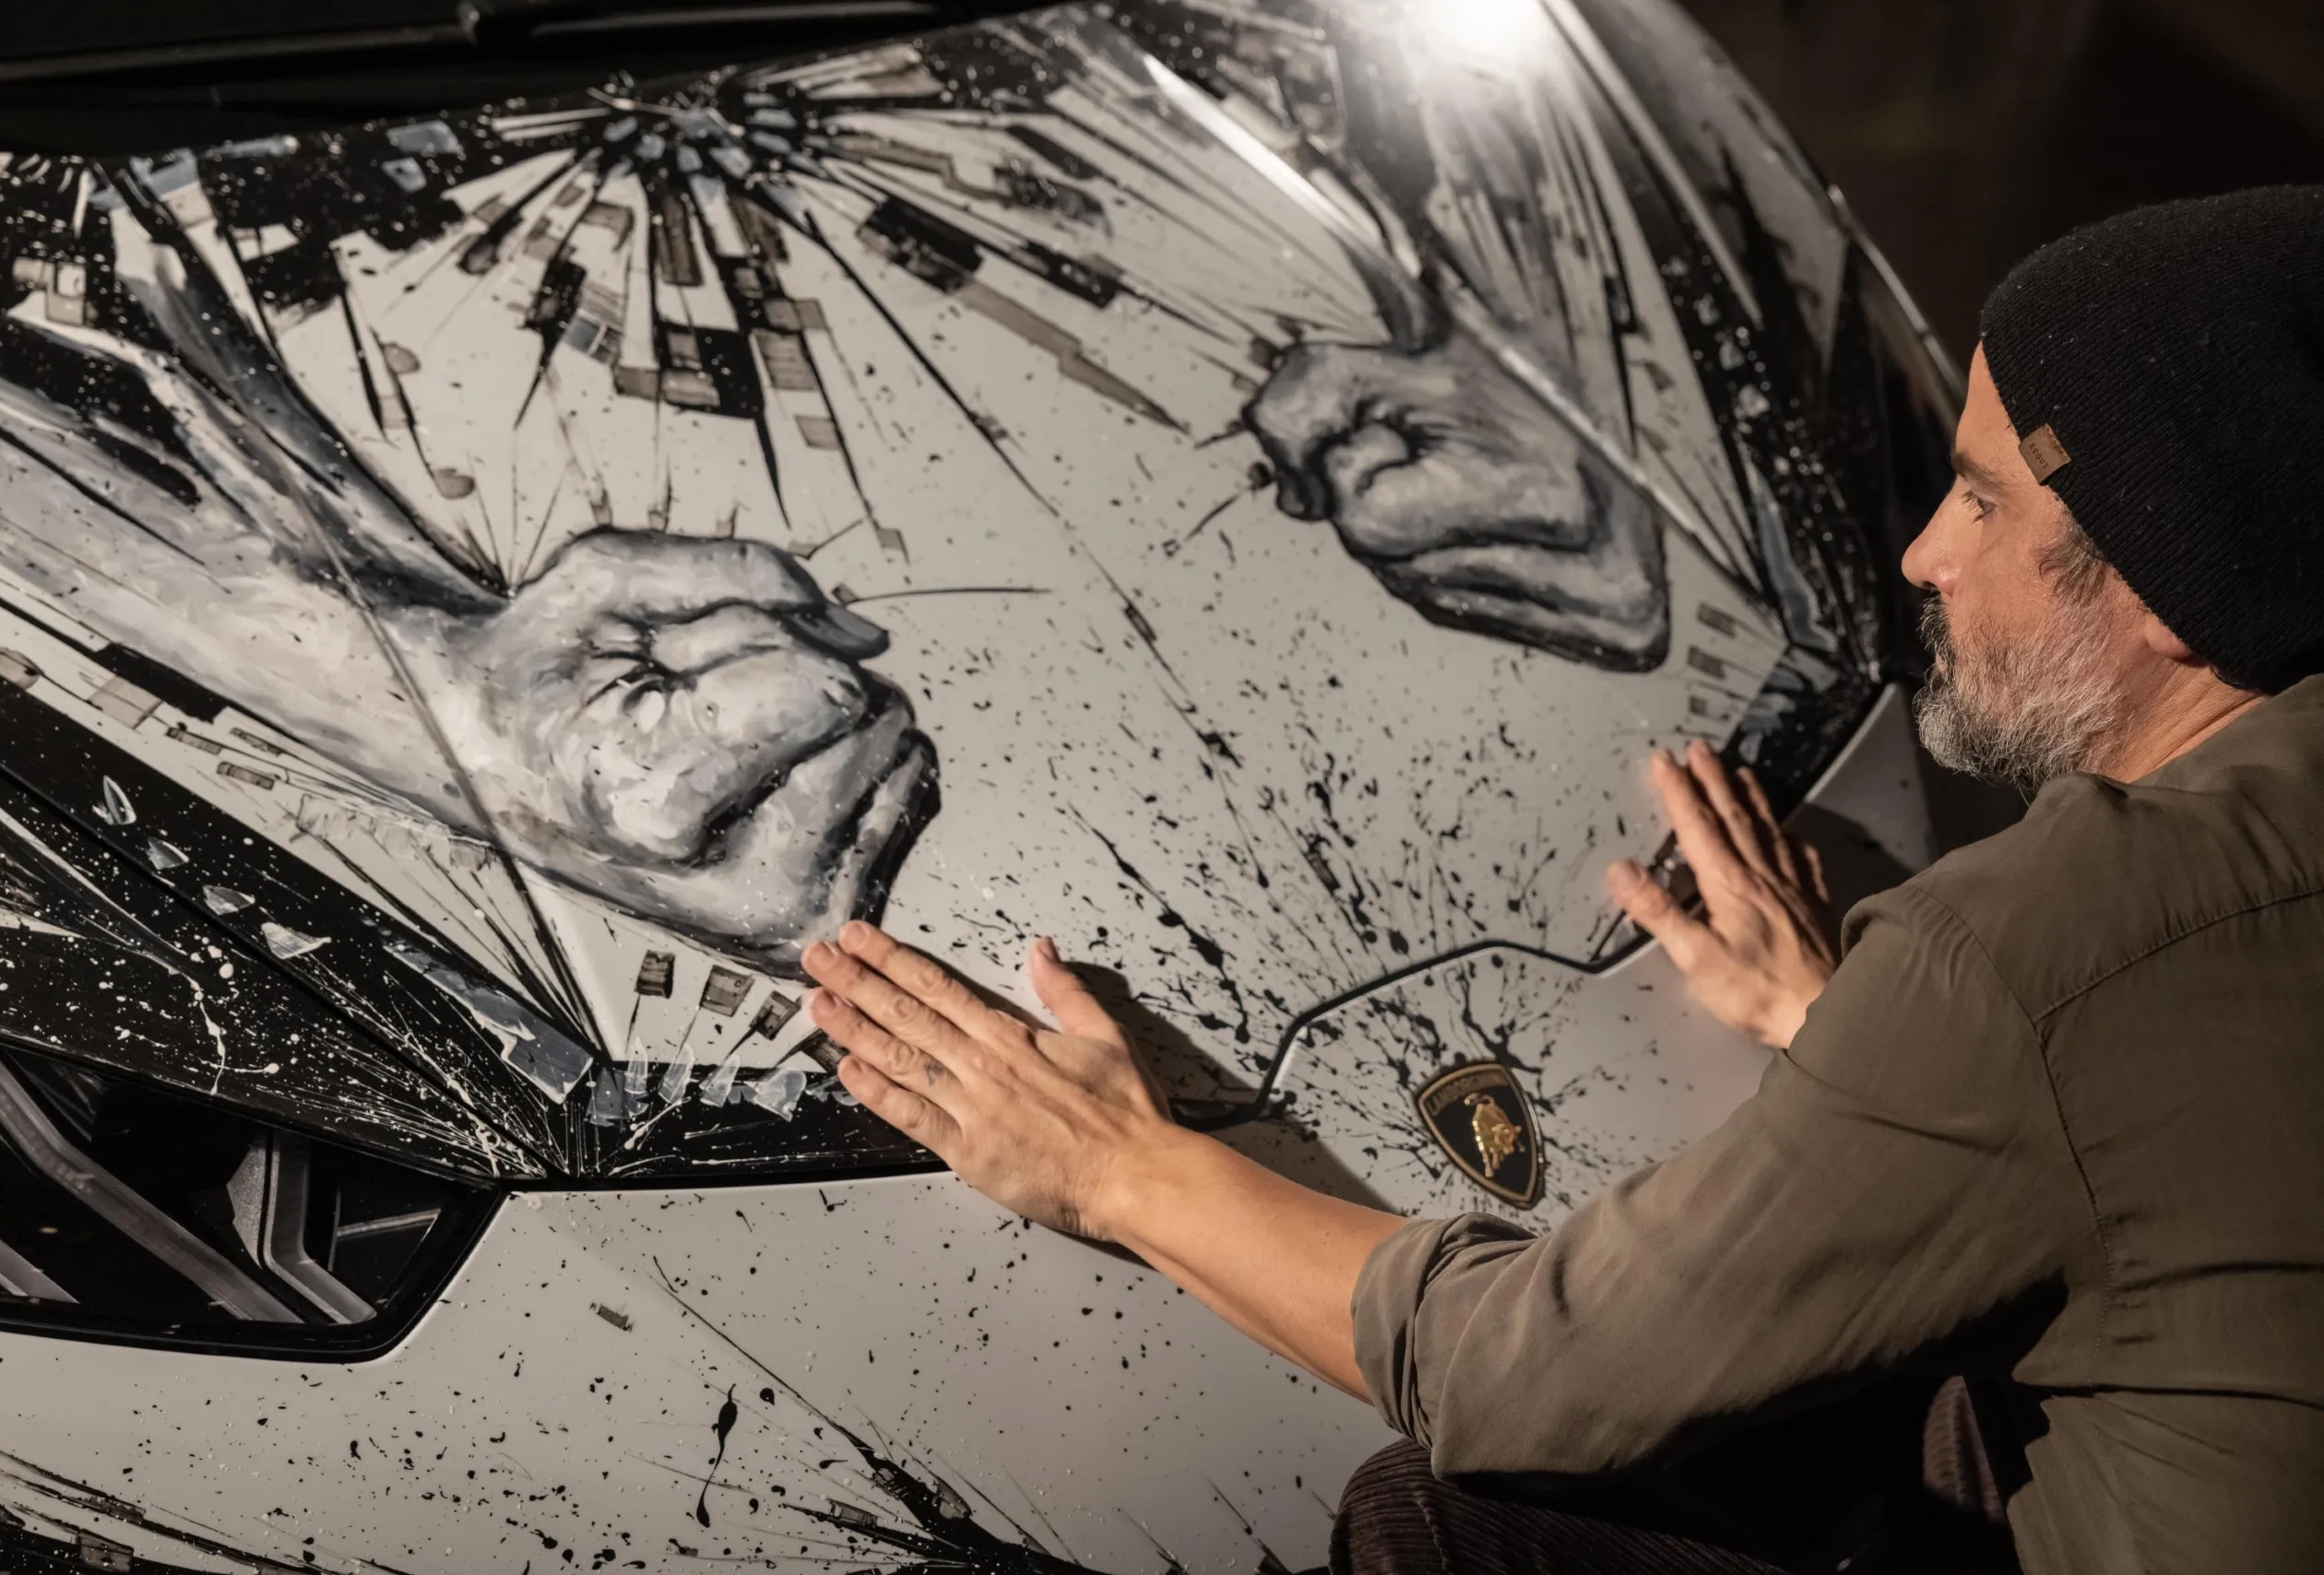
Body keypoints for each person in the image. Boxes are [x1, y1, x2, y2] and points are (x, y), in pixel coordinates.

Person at [796, 184, 2324, 1574]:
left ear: (2166, 585)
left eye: (1985, 502)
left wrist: (1117, 1167)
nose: (1926, 555)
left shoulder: (2042, 948)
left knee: (1439, 1524)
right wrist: (1871, 1036)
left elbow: (1533, 1380)